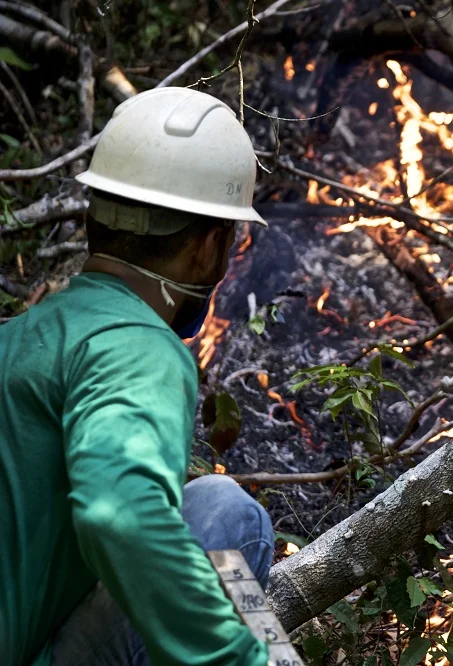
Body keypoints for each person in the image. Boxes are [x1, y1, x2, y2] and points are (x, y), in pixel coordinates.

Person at [0, 87, 274, 666]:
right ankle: (276, 659)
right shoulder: (135, 346)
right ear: (208, 247)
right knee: (231, 513)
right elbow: (117, 511)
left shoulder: (17, 338)